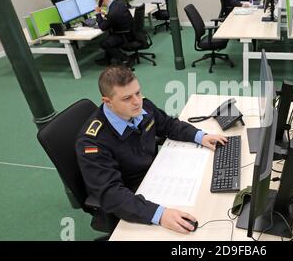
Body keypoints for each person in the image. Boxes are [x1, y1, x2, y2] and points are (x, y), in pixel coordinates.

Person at [75, 66, 228, 234]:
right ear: (107, 101)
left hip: (158, 174)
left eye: (138, 93)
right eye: (127, 98)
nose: (137, 101)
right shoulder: (92, 142)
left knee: (207, 193)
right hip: (133, 193)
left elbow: (169, 125)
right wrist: (159, 215)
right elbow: (111, 194)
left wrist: (200, 136)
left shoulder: (142, 107)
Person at [95, 0, 133, 65]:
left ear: (101, 0)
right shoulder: (118, 4)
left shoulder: (113, 12)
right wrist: (106, 15)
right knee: (109, 36)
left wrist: (98, 14)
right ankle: (107, 60)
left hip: (125, 36)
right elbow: (114, 17)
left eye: (98, 1)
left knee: (104, 43)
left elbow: (102, 27)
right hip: (130, 31)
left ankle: (124, 59)